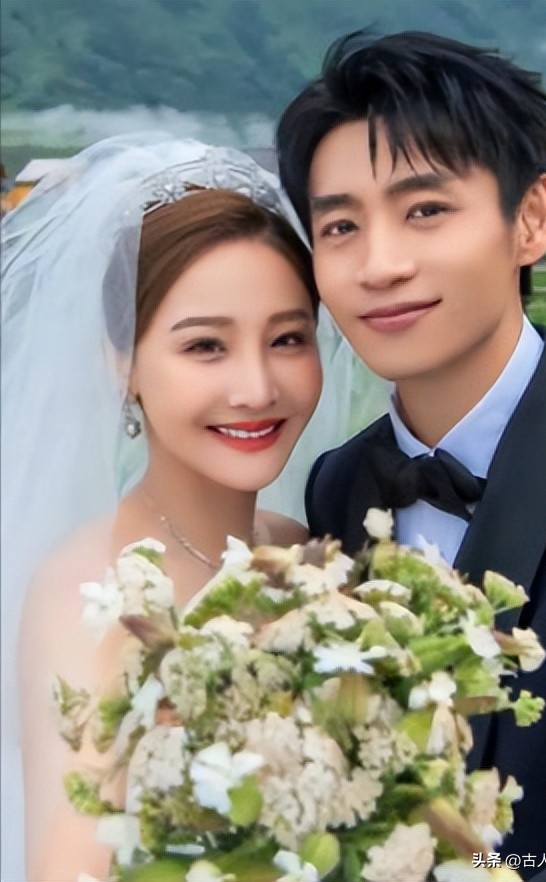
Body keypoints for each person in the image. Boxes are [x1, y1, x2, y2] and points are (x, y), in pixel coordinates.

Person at [276, 31, 546, 879]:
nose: (380, 265)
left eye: (425, 210)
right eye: (341, 226)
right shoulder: (336, 486)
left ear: (531, 219)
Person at [1, 133, 329, 881]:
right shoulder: (92, 597)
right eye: (206, 346)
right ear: (121, 365)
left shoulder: (307, 552)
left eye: (288, 338)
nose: (257, 387)